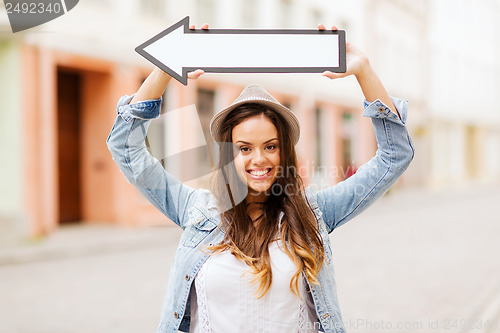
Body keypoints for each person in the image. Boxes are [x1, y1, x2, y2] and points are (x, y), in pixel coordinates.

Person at [107, 23, 414, 333]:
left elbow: (394, 157)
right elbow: (125, 147)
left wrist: (364, 71)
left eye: (270, 146)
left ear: (285, 152)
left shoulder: (315, 213)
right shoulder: (195, 210)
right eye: (244, 148)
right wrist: (165, 69)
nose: (258, 159)